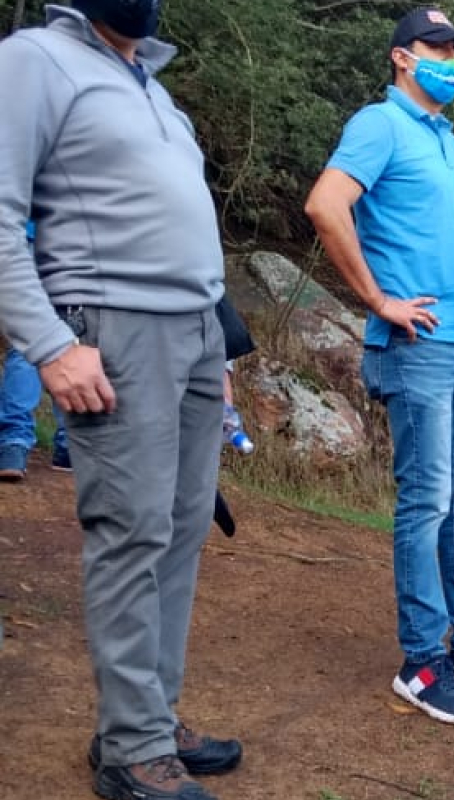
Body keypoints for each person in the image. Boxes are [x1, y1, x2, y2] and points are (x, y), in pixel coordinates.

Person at [0, 3, 244, 798]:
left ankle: (145, 716)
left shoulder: (151, 86)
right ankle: (133, 748)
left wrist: (220, 341)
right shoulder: (35, 58)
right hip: (110, 327)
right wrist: (48, 343)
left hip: (195, 334)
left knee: (178, 532)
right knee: (131, 531)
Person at [305, 5, 454, 727]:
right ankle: (422, 659)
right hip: (417, 351)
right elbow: (326, 206)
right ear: (401, 58)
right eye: (435, 46)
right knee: (427, 504)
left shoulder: (447, 140)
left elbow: (451, 246)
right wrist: (378, 299)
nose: (451, 58)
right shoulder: (378, 124)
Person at [0, 223, 70, 480]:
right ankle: (67, 445)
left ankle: (12, 446)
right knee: (72, 338)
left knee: (26, 341)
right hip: (70, 238)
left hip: (21, 234)